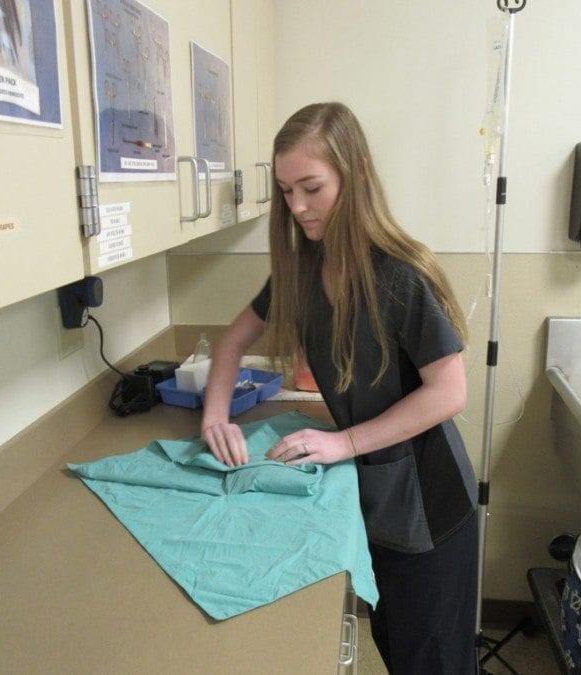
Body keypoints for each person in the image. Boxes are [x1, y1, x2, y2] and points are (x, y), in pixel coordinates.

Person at [201, 102, 478, 674]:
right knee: (397, 646)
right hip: (376, 487)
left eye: (311, 188)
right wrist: (214, 417)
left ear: (352, 179)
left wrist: (344, 442)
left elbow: (449, 393)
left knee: (433, 659)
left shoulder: (400, 275)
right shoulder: (302, 272)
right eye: (285, 191)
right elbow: (229, 345)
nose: (296, 206)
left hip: (428, 500)